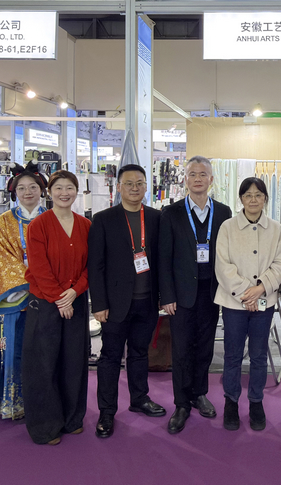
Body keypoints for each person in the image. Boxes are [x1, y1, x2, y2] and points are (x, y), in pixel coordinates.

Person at [89, 164, 166, 439]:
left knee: (139, 353)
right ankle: (107, 411)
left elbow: (163, 261)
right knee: (110, 357)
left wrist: (163, 297)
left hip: (147, 302)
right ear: (119, 187)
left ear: (146, 186)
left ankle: (139, 398)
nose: (135, 188)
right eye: (129, 183)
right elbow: (95, 265)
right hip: (114, 304)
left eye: (140, 183)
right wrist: (99, 304)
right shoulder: (103, 219)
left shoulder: (157, 218)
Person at [159, 156, 232, 434]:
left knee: (204, 346)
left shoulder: (223, 212)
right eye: (193, 174)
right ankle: (181, 403)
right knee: (181, 349)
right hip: (181, 295)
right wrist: (167, 295)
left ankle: (200, 393)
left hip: (211, 292)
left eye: (203, 174)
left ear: (211, 180)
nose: (198, 178)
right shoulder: (171, 212)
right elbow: (164, 258)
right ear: (185, 179)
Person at [21, 170, 91, 445]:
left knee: (74, 362)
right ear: (49, 192)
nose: (64, 193)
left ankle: (72, 418)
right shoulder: (38, 225)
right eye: (59, 188)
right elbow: (39, 268)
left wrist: (74, 292)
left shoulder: (85, 225)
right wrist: (60, 299)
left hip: (76, 300)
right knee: (44, 365)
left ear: (77, 191)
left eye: (69, 188)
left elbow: (91, 265)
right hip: (46, 304)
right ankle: (45, 426)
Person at [215, 177, 281, 431]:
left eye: (258, 195)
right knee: (233, 354)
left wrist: (260, 289)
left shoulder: (276, 229)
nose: (253, 199)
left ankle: (256, 401)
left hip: (264, 300)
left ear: (265, 199)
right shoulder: (227, 227)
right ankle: (231, 401)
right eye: (248, 195)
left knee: (258, 355)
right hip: (233, 302)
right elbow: (223, 265)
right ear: (241, 199)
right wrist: (246, 294)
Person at [0, 162, 48, 421]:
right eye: (22, 188)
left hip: (47, 294)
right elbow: (2, 258)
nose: (27, 192)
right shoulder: (6, 220)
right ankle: (13, 402)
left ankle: (43, 402)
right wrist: (30, 281)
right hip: (15, 296)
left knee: (44, 349)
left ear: (42, 190)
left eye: (33, 187)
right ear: (14, 192)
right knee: (13, 347)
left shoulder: (52, 217)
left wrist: (45, 283)